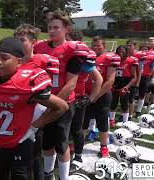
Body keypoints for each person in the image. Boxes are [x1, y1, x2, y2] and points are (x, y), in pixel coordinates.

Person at [0, 37, 68, 180]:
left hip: (20, 142)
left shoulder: (26, 83)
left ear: (19, 62)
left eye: (4, 58)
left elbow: (61, 107)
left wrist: (35, 126)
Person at [33, 10, 90, 180]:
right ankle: (48, 172)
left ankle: (64, 177)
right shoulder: (39, 47)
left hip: (63, 102)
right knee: (47, 142)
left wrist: (52, 104)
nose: (52, 31)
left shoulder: (73, 49)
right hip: (44, 99)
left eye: (56, 27)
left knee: (61, 142)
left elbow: (71, 83)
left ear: (66, 29)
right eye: (50, 27)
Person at [13, 23, 60, 180]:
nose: (18, 43)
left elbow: (51, 92)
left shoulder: (43, 61)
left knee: (34, 155)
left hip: (36, 114)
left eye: (22, 40)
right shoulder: (13, 61)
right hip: (16, 113)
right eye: (16, 40)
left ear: (33, 42)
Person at [82, 36, 120, 157]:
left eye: (99, 45)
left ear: (104, 46)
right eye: (94, 45)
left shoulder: (110, 58)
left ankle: (104, 146)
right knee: (83, 121)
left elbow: (110, 81)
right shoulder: (88, 56)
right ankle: (79, 143)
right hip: (86, 95)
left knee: (102, 122)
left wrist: (96, 95)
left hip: (102, 95)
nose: (96, 47)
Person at [69, 50, 103, 171]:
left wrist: (90, 99)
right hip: (64, 97)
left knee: (77, 129)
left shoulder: (85, 58)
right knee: (61, 130)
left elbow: (99, 79)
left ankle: (78, 157)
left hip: (78, 98)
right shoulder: (67, 58)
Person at [109, 45, 137, 127]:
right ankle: (111, 120)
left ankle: (125, 123)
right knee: (113, 103)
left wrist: (126, 87)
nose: (121, 53)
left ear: (126, 52)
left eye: (123, 52)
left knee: (124, 104)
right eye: (119, 52)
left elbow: (134, 77)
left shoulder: (131, 60)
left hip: (125, 83)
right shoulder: (114, 59)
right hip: (115, 82)